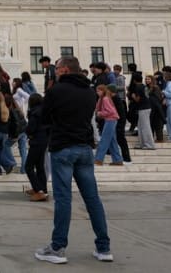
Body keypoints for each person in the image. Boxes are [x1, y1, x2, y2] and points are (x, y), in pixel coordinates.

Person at [35, 56, 112, 265]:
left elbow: (44, 118)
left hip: (63, 148)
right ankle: (103, 247)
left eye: (58, 68)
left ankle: (58, 247)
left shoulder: (56, 91)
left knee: (63, 199)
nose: (55, 71)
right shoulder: (89, 91)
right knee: (92, 199)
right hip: (85, 148)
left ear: (65, 70)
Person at [25, 93, 49, 202]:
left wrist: (28, 133)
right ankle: (43, 189)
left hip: (36, 141)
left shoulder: (34, 113)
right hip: (44, 140)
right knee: (40, 166)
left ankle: (39, 190)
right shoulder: (44, 110)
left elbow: (30, 129)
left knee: (28, 166)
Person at [94, 84, 123, 166]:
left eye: (99, 91)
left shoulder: (105, 99)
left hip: (110, 120)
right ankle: (118, 160)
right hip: (111, 120)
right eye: (97, 91)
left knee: (104, 140)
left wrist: (100, 113)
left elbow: (111, 112)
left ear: (103, 91)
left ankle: (98, 159)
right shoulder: (105, 98)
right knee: (112, 141)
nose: (97, 93)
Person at [130, 74, 155, 150]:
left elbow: (137, 99)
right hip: (146, 107)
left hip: (143, 108)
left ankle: (149, 144)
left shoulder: (138, 87)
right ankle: (142, 143)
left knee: (145, 127)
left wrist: (133, 96)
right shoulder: (144, 86)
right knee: (140, 126)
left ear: (134, 80)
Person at [12, 78, 31, 173]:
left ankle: (21, 167)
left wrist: (21, 106)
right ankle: (24, 169)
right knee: (23, 148)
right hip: (21, 118)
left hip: (19, 118)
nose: (12, 83)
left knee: (21, 147)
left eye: (14, 81)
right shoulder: (16, 91)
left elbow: (28, 96)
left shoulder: (19, 90)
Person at [146, 75, 166, 142]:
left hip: (156, 108)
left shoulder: (155, 87)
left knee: (157, 124)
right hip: (150, 108)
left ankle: (159, 139)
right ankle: (151, 138)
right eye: (146, 79)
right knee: (151, 124)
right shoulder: (147, 88)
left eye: (148, 79)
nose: (147, 80)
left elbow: (158, 98)